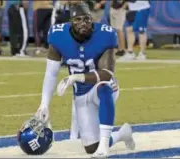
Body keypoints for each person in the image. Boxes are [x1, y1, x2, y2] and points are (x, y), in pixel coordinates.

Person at [35, 2, 135, 158]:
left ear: (92, 19)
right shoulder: (58, 35)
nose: (83, 24)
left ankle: (104, 145)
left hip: (103, 86)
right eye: (78, 20)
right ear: (70, 23)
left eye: (87, 19)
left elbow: (107, 73)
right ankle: (122, 134)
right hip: (81, 94)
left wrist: (77, 77)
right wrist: (44, 104)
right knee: (90, 148)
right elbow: (51, 73)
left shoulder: (105, 34)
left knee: (104, 86)